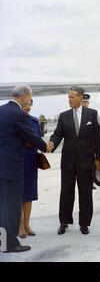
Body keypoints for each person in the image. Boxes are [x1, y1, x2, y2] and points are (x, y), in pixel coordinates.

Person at [0, 85, 51, 253]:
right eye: (30, 98)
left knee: (3, 203)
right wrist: (46, 146)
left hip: (2, 165)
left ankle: (3, 240)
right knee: (12, 205)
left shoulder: (2, 110)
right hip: (12, 166)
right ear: (23, 98)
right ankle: (11, 243)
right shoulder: (18, 114)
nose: (30, 101)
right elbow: (30, 136)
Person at [49, 86, 100, 235]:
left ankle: (84, 223)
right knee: (66, 192)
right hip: (68, 161)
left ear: (80, 97)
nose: (69, 99)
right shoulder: (64, 116)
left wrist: (99, 158)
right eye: (68, 97)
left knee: (85, 192)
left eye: (72, 97)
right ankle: (64, 221)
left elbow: (98, 137)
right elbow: (57, 134)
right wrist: (51, 144)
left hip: (87, 161)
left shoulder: (92, 114)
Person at [18, 99, 41, 239]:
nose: (27, 107)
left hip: (31, 160)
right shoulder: (15, 120)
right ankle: (20, 227)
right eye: (25, 105)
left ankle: (27, 224)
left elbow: (37, 138)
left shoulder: (34, 121)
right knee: (18, 194)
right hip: (18, 160)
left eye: (29, 105)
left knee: (29, 194)